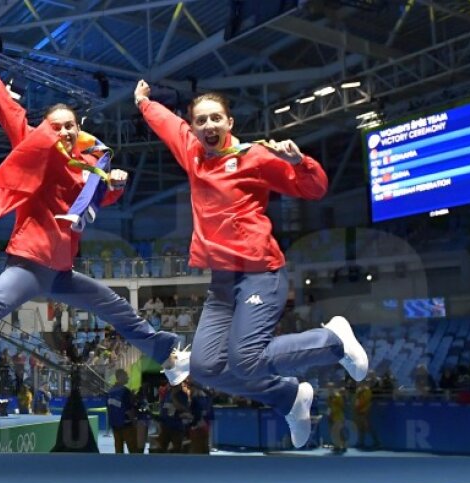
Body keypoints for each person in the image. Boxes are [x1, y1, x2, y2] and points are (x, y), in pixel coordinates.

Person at [0, 19, 183, 386]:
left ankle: (170, 357)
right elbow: (6, 107)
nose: (64, 131)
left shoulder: (91, 165)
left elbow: (101, 198)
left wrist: (118, 184)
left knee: (117, 308)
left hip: (63, 273)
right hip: (29, 265)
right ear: (46, 129)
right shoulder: (37, 148)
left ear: (78, 128)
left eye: (70, 126)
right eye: (56, 126)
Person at [133, 79, 368, 448]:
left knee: (245, 361)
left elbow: (314, 189)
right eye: (201, 121)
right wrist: (143, 102)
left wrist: (299, 162)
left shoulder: (254, 156)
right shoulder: (191, 152)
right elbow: (166, 122)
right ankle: (288, 397)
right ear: (193, 127)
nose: (208, 126)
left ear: (229, 123)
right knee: (203, 368)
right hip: (223, 282)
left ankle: (333, 340)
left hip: (261, 273)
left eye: (216, 119)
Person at [106, 369, 138, 453]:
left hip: (115, 426)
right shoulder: (125, 391)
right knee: (133, 451)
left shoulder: (110, 391)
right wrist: (134, 422)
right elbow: (129, 410)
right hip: (126, 425)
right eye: (126, 376)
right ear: (120, 377)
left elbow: (109, 409)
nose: (128, 378)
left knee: (118, 451)